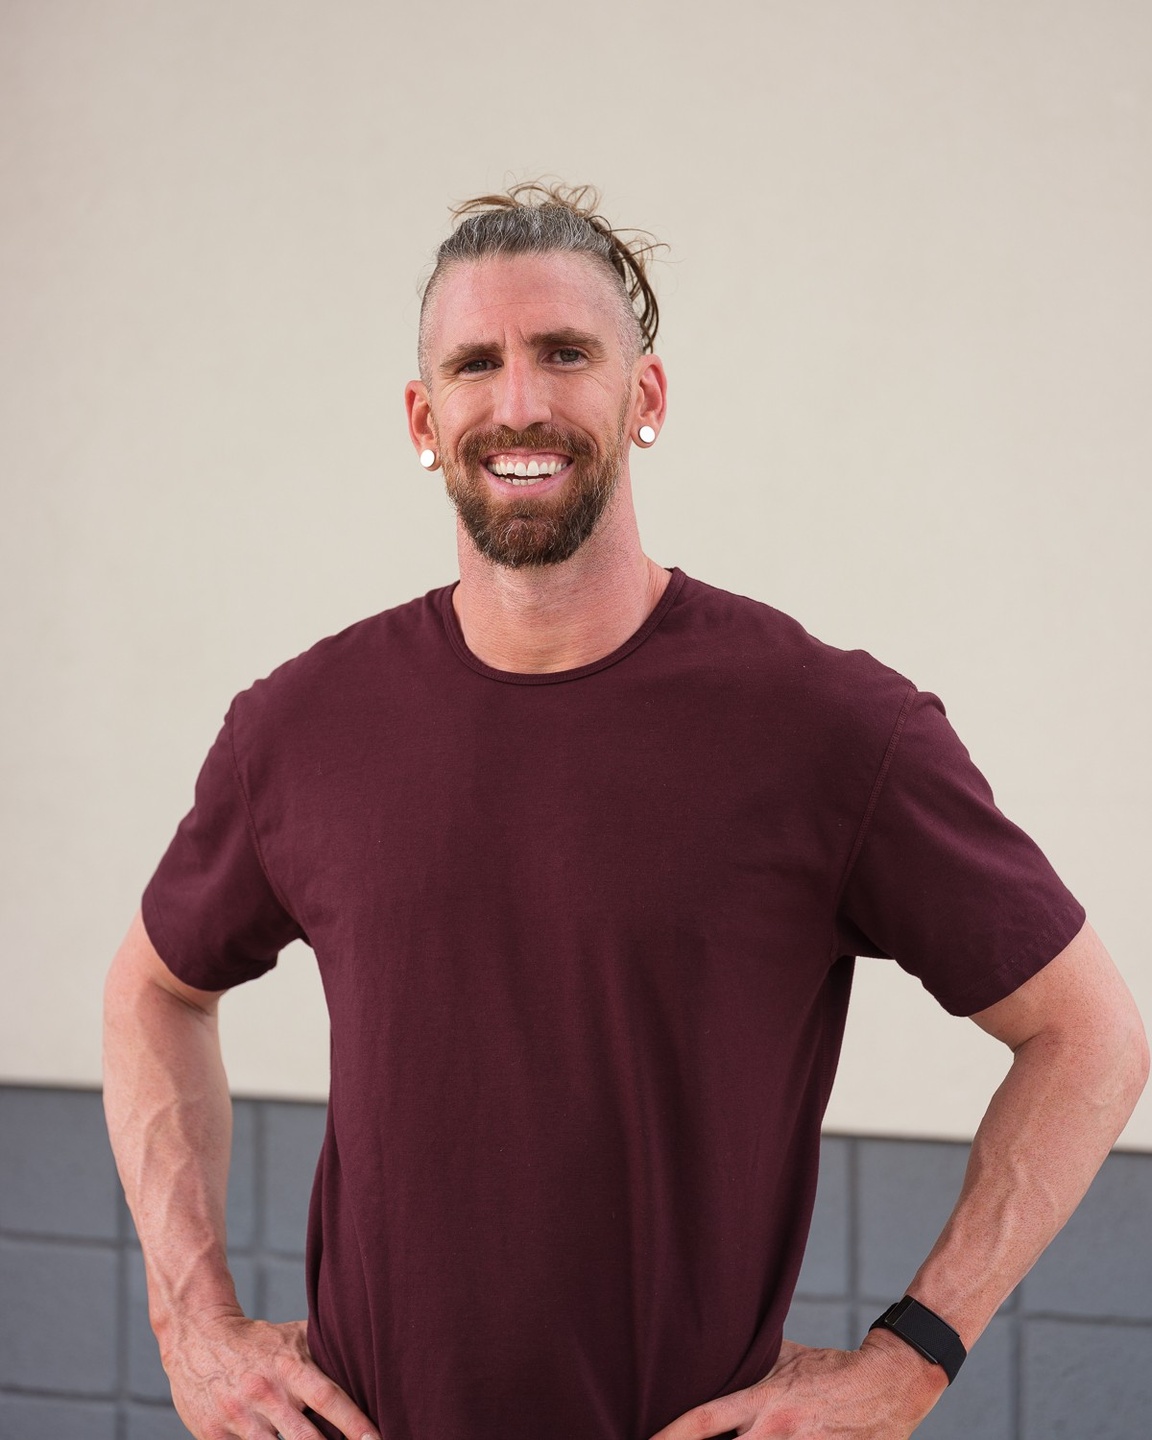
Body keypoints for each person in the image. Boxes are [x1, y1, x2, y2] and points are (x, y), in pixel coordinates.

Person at [103, 183, 1148, 1440]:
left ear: (644, 397)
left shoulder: (829, 729)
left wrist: (911, 1358)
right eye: (475, 364)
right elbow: (152, 989)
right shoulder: (301, 727)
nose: (520, 403)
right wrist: (193, 1321)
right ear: (423, 419)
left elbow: (1089, 1036)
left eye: (565, 354)